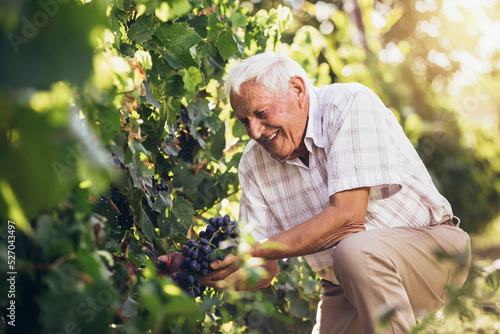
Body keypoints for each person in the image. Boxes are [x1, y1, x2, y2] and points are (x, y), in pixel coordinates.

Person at [164, 52, 471, 333]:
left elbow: (348, 219)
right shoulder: (253, 163)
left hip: (435, 253)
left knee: (354, 251)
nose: (255, 132)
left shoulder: (348, 104)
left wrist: (253, 249)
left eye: (262, 113)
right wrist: (209, 268)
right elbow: (263, 270)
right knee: (352, 258)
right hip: (346, 280)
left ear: (297, 90)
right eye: (246, 122)